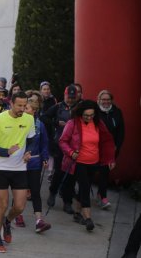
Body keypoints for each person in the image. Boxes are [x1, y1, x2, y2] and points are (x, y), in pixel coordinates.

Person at [0, 91, 35, 253]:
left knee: (19, 207)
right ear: (11, 103)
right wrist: (6, 151)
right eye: (19, 105)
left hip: (19, 168)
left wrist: (29, 152)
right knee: (3, 204)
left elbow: (32, 140)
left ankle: (7, 222)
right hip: (0, 168)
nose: (22, 108)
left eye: (24, 105)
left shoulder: (29, 119)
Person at [59, 100, 115, 231]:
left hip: (94, 161)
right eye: (86, 115)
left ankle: (78, 213)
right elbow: (63, 141)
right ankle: (88, 218)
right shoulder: (72, 124)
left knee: (86, 186)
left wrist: (110, 158)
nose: (89, 118)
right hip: (78, 162)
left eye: (92, 115)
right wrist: (71, 152)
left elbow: (107, 141)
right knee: (84, 188)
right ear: (80, 113)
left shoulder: (98, 123)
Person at [14, 98, 52, 232]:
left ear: (34, 111)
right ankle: (18, 215)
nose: (24, 109)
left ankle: (39, 220)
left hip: (35, 163)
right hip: (19, 163)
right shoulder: (17, 122)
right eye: (23, 107)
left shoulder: (39, 125)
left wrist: (45, 157)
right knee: (20, 191)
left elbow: (44, 143)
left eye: (27, 108)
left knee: (35, 191)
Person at [42, 84, 79, 214]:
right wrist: (56, 123)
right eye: (69, 97)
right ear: (64, 95)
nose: (71, 100)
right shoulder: (58, 107)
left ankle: (67, 202)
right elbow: (44, 117)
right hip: (59, 144)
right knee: (58, 172)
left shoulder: (79, 107)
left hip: (74, 146)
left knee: (71, 175)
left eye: (73, 97)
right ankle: (53, 193)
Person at [97, 89, 125, 208]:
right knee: (90, 172)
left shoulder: (117, 112)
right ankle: (83, 197)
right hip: (95, 147)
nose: (106, 102)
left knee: (104, 173)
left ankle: (102, 197)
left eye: (108, 99)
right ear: (99, 100)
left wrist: (116, 146)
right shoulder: (94, 112)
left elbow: (121, 131)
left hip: (110, 149)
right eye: (103, 99)